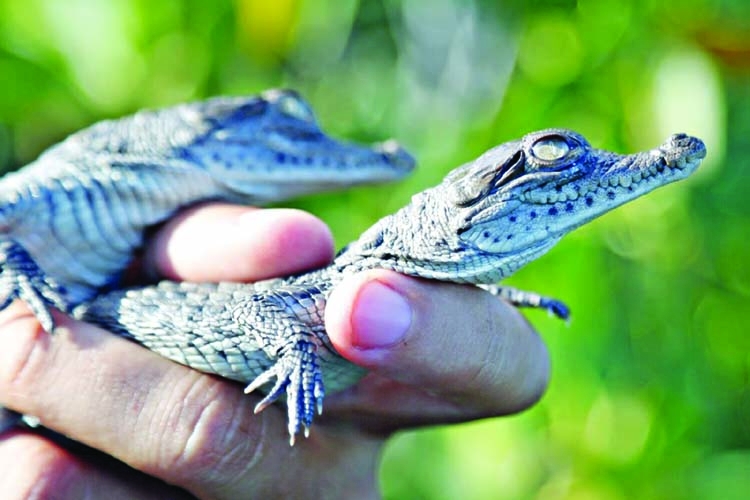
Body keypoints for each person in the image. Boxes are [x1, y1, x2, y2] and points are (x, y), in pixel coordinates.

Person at [0, 203, 550, 498]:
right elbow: (252, 309)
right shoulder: (330, 291)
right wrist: (297, 352)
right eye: (551, 156)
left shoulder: (380, 293)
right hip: (89, 331)